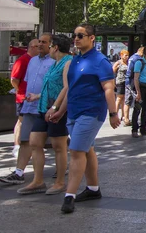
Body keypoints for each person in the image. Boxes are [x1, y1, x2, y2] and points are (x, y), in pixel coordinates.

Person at [44, 24, 121, 214]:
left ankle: (69, 196)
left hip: (91, 113)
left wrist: (113, 113)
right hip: (73, 113)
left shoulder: (100, 61)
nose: (76, 39)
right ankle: (93, 189)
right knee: (87, 150)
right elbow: (71, 89)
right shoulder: (75, 60)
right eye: (75, 35)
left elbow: (108, 88)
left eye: (81, 35)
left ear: (92, 38)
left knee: (76, 151)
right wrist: (60, 111)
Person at [16, 34, 73, 195]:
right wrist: (37, 96)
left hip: (56, 110)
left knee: (58, 146)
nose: (46, 47)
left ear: (55, 47)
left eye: (49, 44)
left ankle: (60, 182)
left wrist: (55, 107)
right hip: (43, 108)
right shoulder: (55, 63)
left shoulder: (67, 62)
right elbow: (49, 86)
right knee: (34, 142)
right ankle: (38, 181)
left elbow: (66, 87)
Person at [0, 34, 54, 186]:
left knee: (55, 143)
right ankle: (19, 173)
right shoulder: (32, 61)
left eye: (43, 43)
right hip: (30, 107)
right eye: (39, 43)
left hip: (46, 108)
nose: (40, 45)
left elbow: (56, 87)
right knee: (25, 141)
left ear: (50, 45)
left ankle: (58, 172)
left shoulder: (54, 62)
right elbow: (27, 82)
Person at [10, 39, 39, 159]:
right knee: (21, 122)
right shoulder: (23, 60)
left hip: (32, 97)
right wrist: (20, 91)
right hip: (23, 97)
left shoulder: (35, 61)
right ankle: (17, 146)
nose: (40, 47)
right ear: (32, 47)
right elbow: (14, 79)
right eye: (38, 46)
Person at [131, 45, 146, 138]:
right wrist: (138, 92)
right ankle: (134, 129)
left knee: (145, 109)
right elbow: (136, 78)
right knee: (137, 109)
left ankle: (143, 129)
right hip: (141, 87)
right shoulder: (139, 62)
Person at [123, 46, 144, 126]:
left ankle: (126, 118)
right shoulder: (138, 59)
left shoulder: (132, 57)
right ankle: (127, 119)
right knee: (136, 99)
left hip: (128, 80)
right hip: (132, 81)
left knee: (128, 100)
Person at [112, 50, 129, 120]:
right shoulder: (118, 63)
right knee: (119, 98)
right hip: (120, 82)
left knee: (124, 99)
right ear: (121, 55)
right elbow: (112, 72)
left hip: (126, 82)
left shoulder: (128, 63)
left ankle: (123, 115)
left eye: (128, 55)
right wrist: (113, 83)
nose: (127, 57)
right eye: (125, 55)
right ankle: (115, 114)